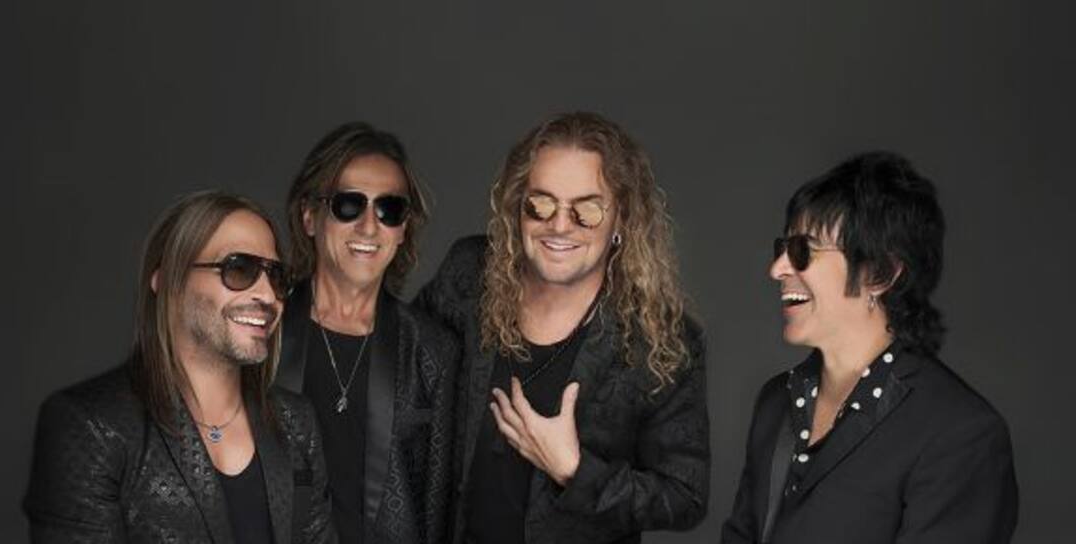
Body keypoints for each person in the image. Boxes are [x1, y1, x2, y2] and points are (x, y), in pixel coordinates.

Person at [416, 111, 709, 544]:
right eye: (540, 204)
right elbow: (400, 368)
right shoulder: (469, 275)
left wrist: (574, 470)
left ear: (621, 219)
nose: (559, 225)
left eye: (587, 210)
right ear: (517, 206)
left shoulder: (663, 339)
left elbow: (685, 497)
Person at [721, 152, 1019, 543]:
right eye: (782, 248)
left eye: (803, 251)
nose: (777, 268)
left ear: (880, 272)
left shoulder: (960, 435)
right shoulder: (776, 401)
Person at [23, 191, 334, 544]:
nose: (266, 295)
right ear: (168, 280)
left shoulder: (296, 422)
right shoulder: (92, 425)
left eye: (276, 276)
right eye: (239, 269)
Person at [276, 122, 457, 544]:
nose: (369, 227)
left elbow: (438, 509)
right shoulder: (262, 330)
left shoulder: (431, 351)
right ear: (309, 216)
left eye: (389, 209)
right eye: (348, 205)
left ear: (403, 229)